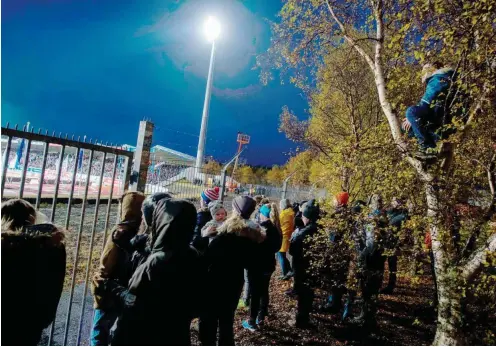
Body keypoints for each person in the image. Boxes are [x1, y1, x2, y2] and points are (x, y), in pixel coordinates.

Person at [111, 198, 201, 345]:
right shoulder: (193, 255)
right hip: (178, 333)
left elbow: (133, 303)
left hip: (149, 334)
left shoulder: (156, 261)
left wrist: (115, 289)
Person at [199, 196, 265, 346]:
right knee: (227, 320)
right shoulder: (252, 235)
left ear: (235, 210)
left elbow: (207, 258)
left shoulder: (223, 233)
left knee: (209, 319)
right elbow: (253, 262)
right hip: (235, 281)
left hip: (214, 281)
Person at [1, 199, 67, 346]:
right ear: (32, 217)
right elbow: (55, 284)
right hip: (33, 320)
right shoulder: (52, 245)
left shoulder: (5, 246)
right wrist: (44, 317)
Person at [90, 192, 145, 346]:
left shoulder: (119, 232)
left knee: (99, 331)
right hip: (128, 288)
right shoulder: (143, 232)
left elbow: (106, 262)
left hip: (111, 288)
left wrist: (98, 286)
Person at [350, 194, 387, 332]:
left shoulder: (372, 220)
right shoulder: (384, 218)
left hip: (371, 261)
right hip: (378, 260)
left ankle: (367, 321)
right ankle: (365, 316)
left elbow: (371, 243)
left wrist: (361, 256)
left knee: (369, 290)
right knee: (371, 290)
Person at [242, 203, 282, 332]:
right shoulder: (276, 229)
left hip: (256, 267)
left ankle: (252, 321)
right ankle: (261, 317)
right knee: (264, 291)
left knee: (255, 293)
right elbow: (276, 248)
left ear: (262, 215)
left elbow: (252, 248)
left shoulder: (260, 230)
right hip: (268, 266)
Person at [402, 62, 456, 150]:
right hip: (443, 118)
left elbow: (427, 101)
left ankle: (427, 146)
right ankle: (434, 143)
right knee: (409, 127)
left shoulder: (438, 78)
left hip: (440, 116)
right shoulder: (448, 78)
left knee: (411, 112)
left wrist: (411, 117)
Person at [288, 199, 320, 328]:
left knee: (303, 294)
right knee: (309, 293)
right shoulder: (319, 230)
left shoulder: (303, 233)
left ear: (307, 217)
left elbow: (293, 250)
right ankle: (304, 317)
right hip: (313, 267)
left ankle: (301, 320)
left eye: (303, 215)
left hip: (302, 267)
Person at [323, 192, 352, 316]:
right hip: (344, 253)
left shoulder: (338, 216)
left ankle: (333, 304)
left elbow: (334, 237)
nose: (333, 202)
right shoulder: (348, 215)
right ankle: (334, 301)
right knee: (339, 278)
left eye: (335, 200)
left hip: (337, 253)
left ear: (340, 202)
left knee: (335, 278)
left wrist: (329, 252)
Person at [382, 197, 409, 294]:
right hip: (385, 242)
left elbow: (405, 229)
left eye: (397, 201)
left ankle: (390, 286)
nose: (395, 203)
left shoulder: (403, 215)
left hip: (393, 243)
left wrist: (400, 243)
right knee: (381, 264)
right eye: (394, 201)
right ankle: (381, 284)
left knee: (392, 265)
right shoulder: (389, 212)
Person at [192, 187, 220, 253]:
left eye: (201, 199)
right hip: (206, 245)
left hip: (197, 246)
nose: (200, 201)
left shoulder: (201, 215)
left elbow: (196, 233)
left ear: (205, 202)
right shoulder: (213, 214)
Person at [278, 198, 295, 280]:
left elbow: (278, 224)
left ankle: (285, 274)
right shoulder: (291, 212)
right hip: (287, 235)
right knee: (282, 255)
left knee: (281, 256)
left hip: (283, 236)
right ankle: (289, 270)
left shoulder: (284, 214)